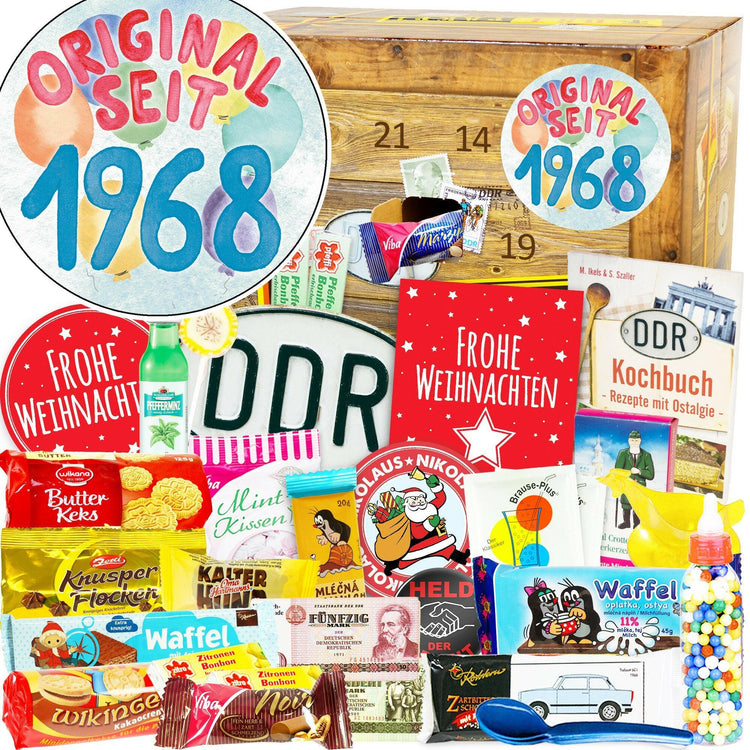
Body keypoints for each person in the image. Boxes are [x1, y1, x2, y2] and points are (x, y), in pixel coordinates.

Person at [614, 430, 655, 529]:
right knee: (626, 503)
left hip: (640, 486)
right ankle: (626, 522)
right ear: (629, 441)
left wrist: (639, 471)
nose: (634, 443)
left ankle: (637, 524)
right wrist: (627, 473)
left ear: (640, 441)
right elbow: (617, 471)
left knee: (638, 505)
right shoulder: (623, 453)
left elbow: (651, 475)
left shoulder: (646, 455)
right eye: (632, 440)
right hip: (627, 485)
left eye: (636, 440)